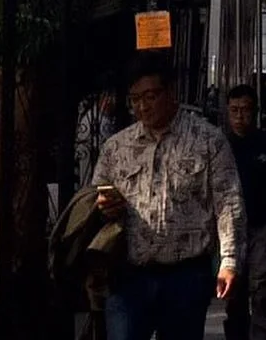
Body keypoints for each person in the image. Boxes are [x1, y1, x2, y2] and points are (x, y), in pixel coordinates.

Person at [93, 56, 244, 340]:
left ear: (170, 91)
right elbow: (93, 200)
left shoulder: (207, 140)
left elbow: (228, 203)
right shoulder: (116, 148)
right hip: (129, 275)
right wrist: (103, 206)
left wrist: (229, 261)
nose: (142, 106)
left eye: (150, 97)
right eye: (135, 99)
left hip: (185, 276)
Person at [222, 83, 266, 340]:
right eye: (234, 110)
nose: (239, 116)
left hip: (262, 227)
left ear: (255, 111)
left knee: (264, 291)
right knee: (234, 295)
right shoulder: (221, 146)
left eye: (245, 110)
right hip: (230, 231)